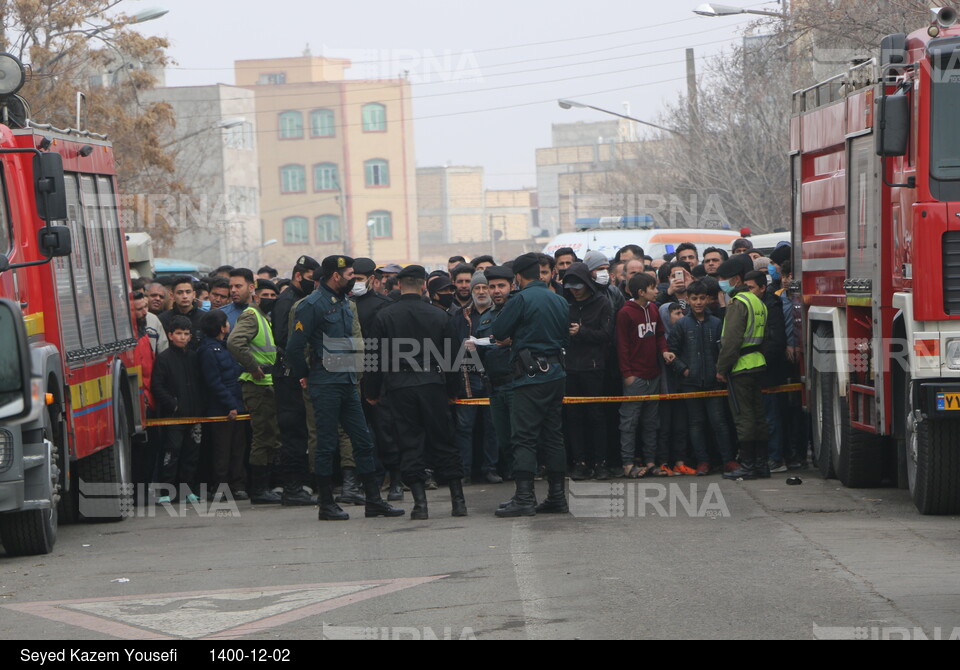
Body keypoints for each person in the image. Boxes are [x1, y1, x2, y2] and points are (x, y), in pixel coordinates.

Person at [287, 255, 404, 521]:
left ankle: (373, 501)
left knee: (363, 440)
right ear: (335, 275)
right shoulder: (312, 305)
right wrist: (305, 375)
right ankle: (327, 504)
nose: (353, 278)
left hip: (347, 380)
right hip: (325, 381)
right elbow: (295, 347)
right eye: (350, 273)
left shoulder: (343, 303)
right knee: (327, 444)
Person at [364, 264, 466, 520]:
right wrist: (454, 390)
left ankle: (420, 504)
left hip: (399, 386)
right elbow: (452, 358)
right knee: (444, 440)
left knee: (409, 443)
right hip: (432, 383)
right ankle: (458, 501)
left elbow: (373, 358)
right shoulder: (439, 315)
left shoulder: (384, 316)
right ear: (423, 286)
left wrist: (372, 390)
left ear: (399, 285)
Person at [492, 253, 570, 517]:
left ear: (518, 276)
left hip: (529, 376)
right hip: (556, 373)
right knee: (553, 436)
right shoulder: (559, 299)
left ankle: (524, 497)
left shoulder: (521, 298)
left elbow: (500, 331)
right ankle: (557, 497)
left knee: (523, 436)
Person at [227, 277, 283, 505]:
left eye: (273, 296)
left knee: (270, 436)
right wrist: (253, 367)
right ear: (255, 295)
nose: (269, 299)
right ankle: (259, 490)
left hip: (266, 383)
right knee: (262, 437)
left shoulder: (263, 318)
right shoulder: (252, 315)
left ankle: (265, 487)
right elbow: (234, 342)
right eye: (265, 295)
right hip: (257, 384)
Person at [272, 255, 322, 507]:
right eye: (311, 279)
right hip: (289, 374)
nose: (314, 285)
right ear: (299, 275)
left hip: (296, 373)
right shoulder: (287, 301)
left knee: (301, 431)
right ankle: (292, 487)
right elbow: (284, 339)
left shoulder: (300, 300)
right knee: (292, 431)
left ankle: (299, 484)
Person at [717, 256, 769, 481]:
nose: (721, 284)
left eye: (723, 279)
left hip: (741, 366)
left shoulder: (739, 302)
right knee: (757, 416)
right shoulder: (757, 301)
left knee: (744, 417)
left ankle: (748, 465)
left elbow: (731, 341)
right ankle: (761, 464)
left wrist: (721, 368)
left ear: (736, 279)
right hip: (757, 363)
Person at [617, 273, 674, 478]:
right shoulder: (625, 313)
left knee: (652, 422)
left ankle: (650, 462)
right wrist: (628, 374)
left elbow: (659, 335)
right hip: (635, 376)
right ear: (641, 292)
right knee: (629, 422)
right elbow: (622, 346)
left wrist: (664, 350)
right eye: (653, 288)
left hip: (654, 374)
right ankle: (627, 463)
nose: (657, 291)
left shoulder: (653, 308)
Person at [562, 262, 613, 480]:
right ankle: (579, 462)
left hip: (594, 368)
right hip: (570, 368)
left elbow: (606, 335)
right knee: (573, 417)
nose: (574, 290)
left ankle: (601, 462)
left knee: (596, 416)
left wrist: (582, 331)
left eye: (578, 285)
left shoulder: (602, 302)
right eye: (571, 286)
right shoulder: (565, 304)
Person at [451, 271, 501, 485]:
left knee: (493, 426)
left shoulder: (500, 313)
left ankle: (490, 468)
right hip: (467, 377)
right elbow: (451, 346)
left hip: (493, 376)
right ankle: (465, 471)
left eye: (484, 287)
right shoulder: (460, 316)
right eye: (477, 288)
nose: (481, 292)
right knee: (464, 427)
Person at [152, 315, 203, 504]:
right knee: (171, 452)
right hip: (174, 416)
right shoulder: (164, 359)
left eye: (186, 334)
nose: (183, 337)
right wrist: (173, 405)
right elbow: (157, 386)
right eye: (179, 333)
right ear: (170, 335)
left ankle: (187, 489)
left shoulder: (193, 357)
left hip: (195, 415)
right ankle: (167, 490)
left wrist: (198, 407)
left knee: (192, 453)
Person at [198, 309, 248, 501]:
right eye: (226, 323)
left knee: (238, 448)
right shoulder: (207, 351)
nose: (229, 325)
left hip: (238, 405)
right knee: (222, 451)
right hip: (222, 409)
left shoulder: (226, 347)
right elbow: (213, 383)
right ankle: (221, 487)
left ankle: (238, 485)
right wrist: (230, 405)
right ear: (221, 327)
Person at [477, 266, 516, 484]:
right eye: (492, 287)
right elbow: (482, 354)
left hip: (516, 381)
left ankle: (525, 474)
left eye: (501, 286)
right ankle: (510, 471)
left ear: (512, 286)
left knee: (520, 434)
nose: (496, 291)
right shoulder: (485, 318)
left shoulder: (519, 310)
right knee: (502, 437)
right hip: (494, 384)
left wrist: (513, 341)